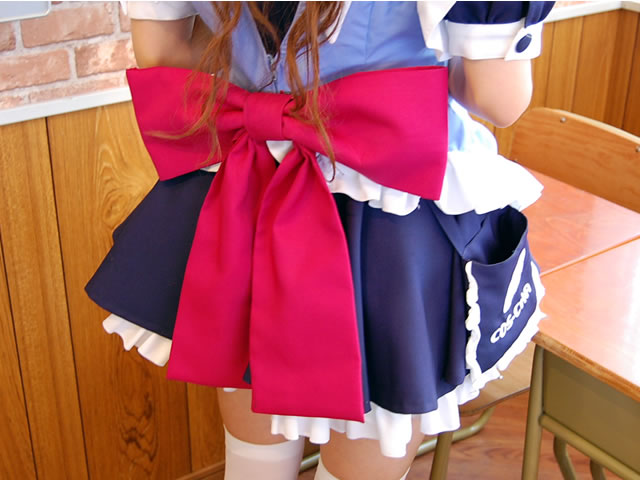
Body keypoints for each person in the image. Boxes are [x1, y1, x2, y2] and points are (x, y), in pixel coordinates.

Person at [87, 2, 554, 479]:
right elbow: (497, 98)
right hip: (385, 219)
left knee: (253, 464)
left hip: (250, 190)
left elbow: (161, 51)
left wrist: (262, 73)